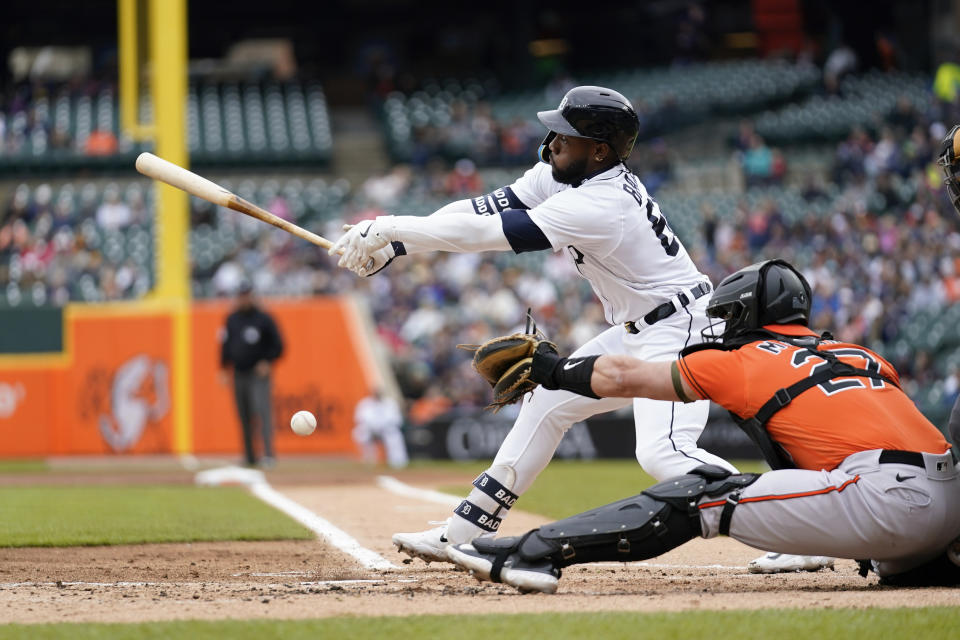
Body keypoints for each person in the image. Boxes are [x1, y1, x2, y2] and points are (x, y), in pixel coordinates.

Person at [331, 86, 826, 573]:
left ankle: (805, 528)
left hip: (680, 329)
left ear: (599, 150)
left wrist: (393, 227)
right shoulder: (564, 176)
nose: (552, 143)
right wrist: (397, 245)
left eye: (565, 136)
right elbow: (481, 210)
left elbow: (491, 236)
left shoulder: (603, 202)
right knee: (545, 402)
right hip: (640, 326)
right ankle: (462, 535)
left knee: (662, 452)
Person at [445, 260, 960, 593]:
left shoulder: (744, 357)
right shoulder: (862, 354)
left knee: (702, 495)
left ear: (747, 314)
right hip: (948, 502)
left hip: (885, 499)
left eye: (728, 316)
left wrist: (553, 370)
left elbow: (626, 375)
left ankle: (535, 551)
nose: (722, 327)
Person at [219, 281, 284, 468]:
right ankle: (249, 456)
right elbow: (225, 345)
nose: (243, 299)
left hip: (258, 374)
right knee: (244, 414)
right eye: (241, 296)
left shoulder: (263, 319)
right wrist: (224, 367)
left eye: (246, 295)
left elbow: (278, 345)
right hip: (238, 373)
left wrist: (267, 361)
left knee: (262, 412)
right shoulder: (232, 319)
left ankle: (268, 455)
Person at [353, 388, 408, 469]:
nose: (377, 395)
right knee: (359, 433)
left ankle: (398, 463)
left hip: (387, 429)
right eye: (375, 393)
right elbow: (359, 419)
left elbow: (397, 419)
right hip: (370, 429)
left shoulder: (390, 403)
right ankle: (368, 462)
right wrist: (372, 428)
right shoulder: (365, 403)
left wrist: (384, 426)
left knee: (395, 436)